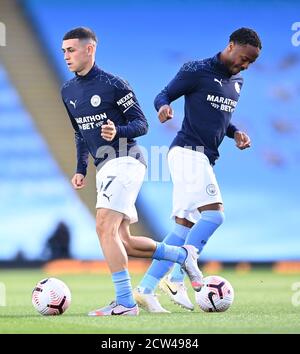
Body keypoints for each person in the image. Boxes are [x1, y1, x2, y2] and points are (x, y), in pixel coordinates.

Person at [61, 27, 203, 316]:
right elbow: (79, 133)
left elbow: (141, 124)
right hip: (104, 166)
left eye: (71, 50)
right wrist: (80, 168)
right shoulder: (68, 91)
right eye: (63, 51)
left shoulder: (114, 84)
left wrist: (117, 131)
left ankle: (126, 302)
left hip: (126, 159)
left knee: (103, 227)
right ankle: (181, 255)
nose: (66, 56)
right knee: (124, 241)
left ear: (90, 49)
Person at [134, 27, 262, 312]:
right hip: (188, 152)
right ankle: (178, 275)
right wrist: (164, 107)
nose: (246, 65)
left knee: (182, 229)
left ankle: (145, 289)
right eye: (244, 58)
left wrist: (236, 132)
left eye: (251, 62)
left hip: (203, 157)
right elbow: (164, 94)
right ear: (230, 46)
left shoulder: (238, 82)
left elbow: (219, 119)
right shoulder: (197, 69)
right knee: (215, 215)